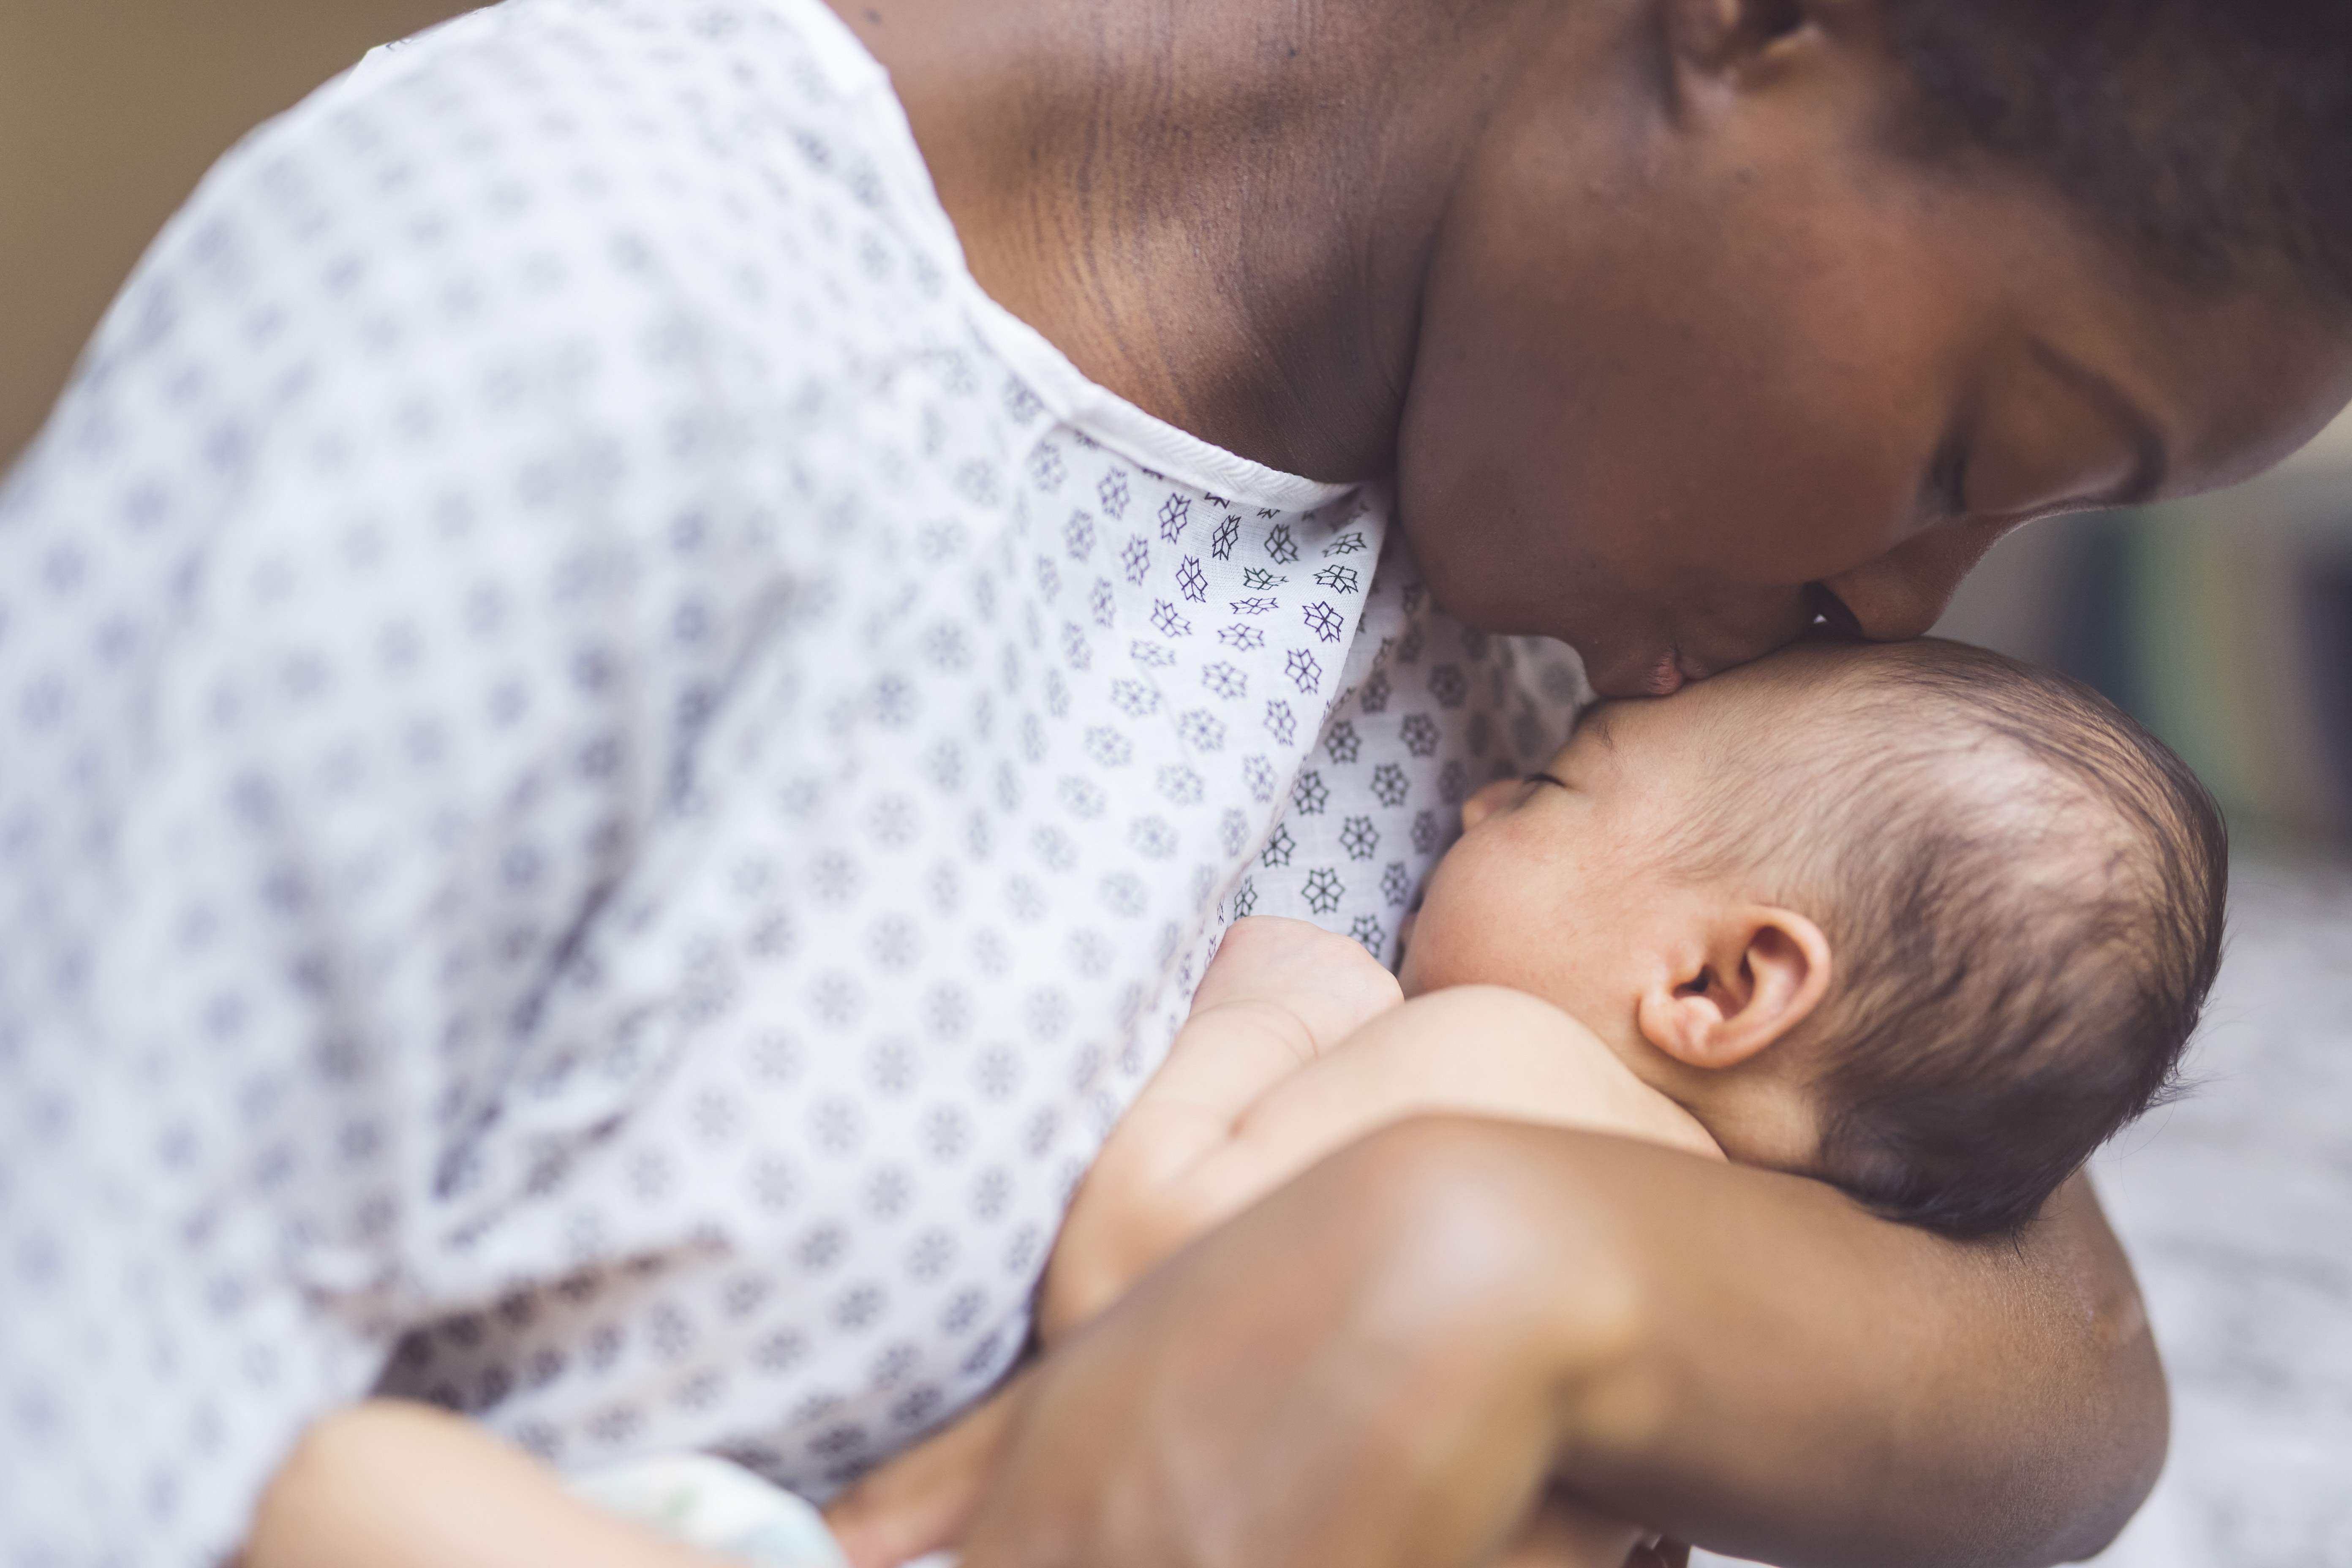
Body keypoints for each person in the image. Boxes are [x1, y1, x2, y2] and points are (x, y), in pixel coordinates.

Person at [3, 0, 2349, 1563]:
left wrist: (1502, 1271)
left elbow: (2065, 1355)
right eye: (1969, 455)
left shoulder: (1565, 587)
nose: (1908, 603)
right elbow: (79, 1418)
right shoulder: (559, 313)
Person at [233, 632, 2227, 1567]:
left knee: (332, 1490)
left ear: (1716, 985)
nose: (1470, 789)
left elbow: (1144, 1270)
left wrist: (1283, 997)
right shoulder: (1755, 1296)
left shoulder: (1514, 1073)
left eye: (1555, 784)